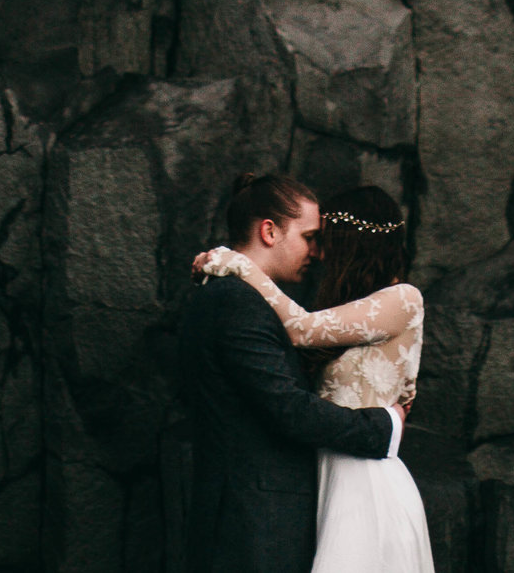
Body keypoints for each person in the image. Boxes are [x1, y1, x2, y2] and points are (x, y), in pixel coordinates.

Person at [175, 173, 410, 573]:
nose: (318, 253)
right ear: (269, 231)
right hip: (251, 524)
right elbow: (288, 408)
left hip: (253, 516)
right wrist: (383, 426)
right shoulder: (236, 302)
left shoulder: (236, 298)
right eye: (309, 237)